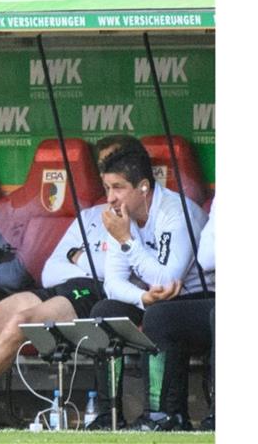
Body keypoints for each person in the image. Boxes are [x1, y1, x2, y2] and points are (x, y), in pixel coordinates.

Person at [0, 135, 147, 418]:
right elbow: (50, 272)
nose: (108, 183)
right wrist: (89, 262)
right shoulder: (91, 215)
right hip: (62, 287)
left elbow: (120, 273)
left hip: (96, 292)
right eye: (104, 172)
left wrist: (79, 258)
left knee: (21, 322)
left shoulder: (146, 217)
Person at [88, 146, 212, 431]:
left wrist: (127, 241)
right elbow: (113, 283)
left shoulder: (175, 212)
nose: (110, 198)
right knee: (104, 311)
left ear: (143, 187)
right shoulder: (121, 215)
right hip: (158, 300)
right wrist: (142, 297)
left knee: (161, 316)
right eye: (107, 188)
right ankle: (109, 416)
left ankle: (164, 415)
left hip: (201, 298)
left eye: (118, 187)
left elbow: (167, 280)